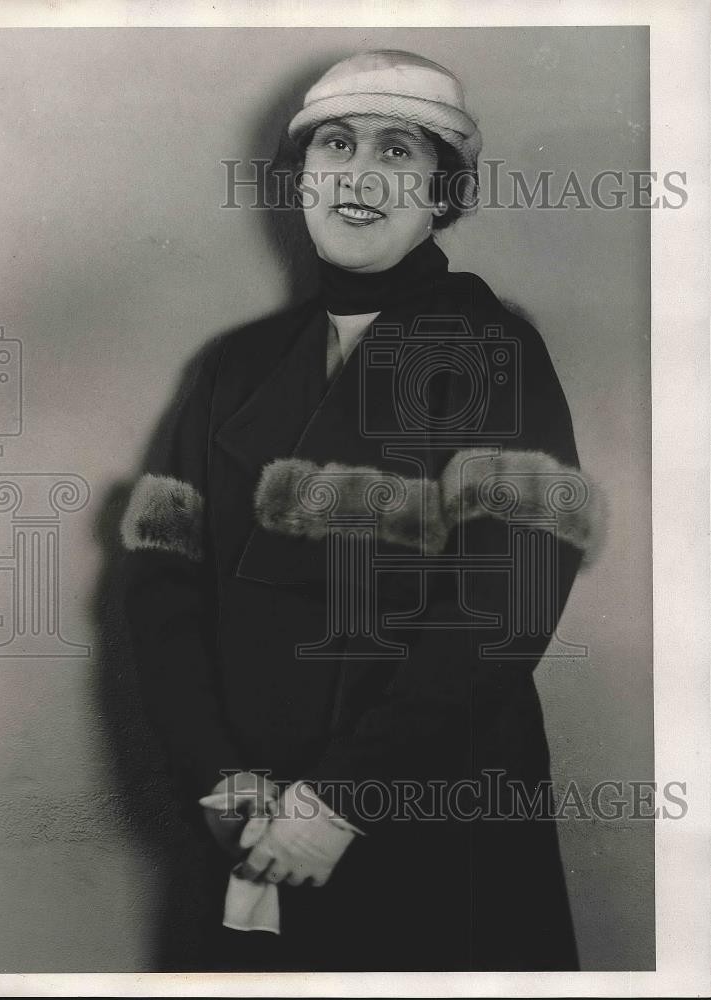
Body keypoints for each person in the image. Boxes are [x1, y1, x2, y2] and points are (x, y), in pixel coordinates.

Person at [119, 49, 606, 972]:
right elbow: (161, 586)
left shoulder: (495, 351)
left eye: (398, 152)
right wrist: (218, 780)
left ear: (441, 194)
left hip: (430, 806)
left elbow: (500, 612)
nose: (359, 176)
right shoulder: (233, 366)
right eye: (335, 145)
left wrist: (344, 802)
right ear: (300, 179)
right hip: (243, 815)